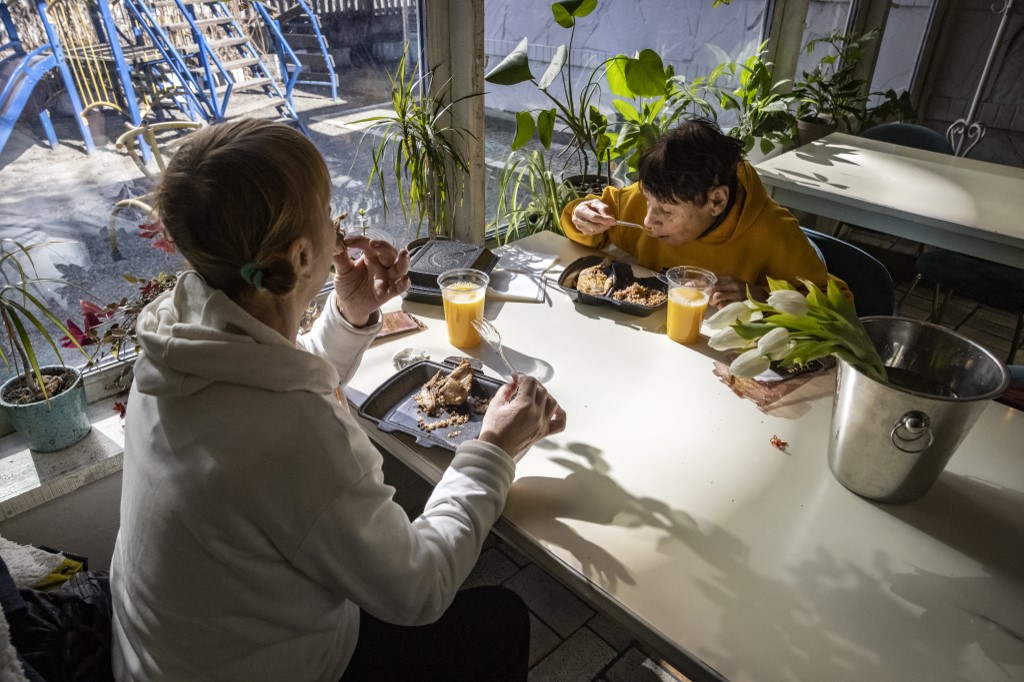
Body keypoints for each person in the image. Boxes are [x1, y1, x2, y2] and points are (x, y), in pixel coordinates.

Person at [109, 119, 566, 681]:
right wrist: (494, 449)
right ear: (302, 257)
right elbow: (418, 590)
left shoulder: (177, 340)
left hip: (168, 656)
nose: (338, 226)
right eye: (328, 212)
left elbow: (272, 376)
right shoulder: (287, 435)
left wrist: (350, 315)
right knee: (499, 618)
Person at [563, 117, 844, 307]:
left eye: (666, 212)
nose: (648, 220)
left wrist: (763, 297)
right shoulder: (657, 195)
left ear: (716, 201)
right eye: (648, 203)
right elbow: (582, 224)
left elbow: (838, 305)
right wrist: (582, 216)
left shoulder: (774, 233)